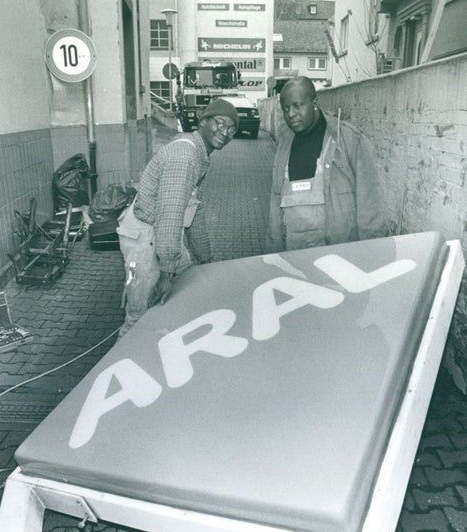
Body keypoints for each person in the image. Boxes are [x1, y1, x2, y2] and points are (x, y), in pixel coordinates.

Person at [115, 98, 238, 338]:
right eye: (220, 123)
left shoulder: (199, 153)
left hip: (160, 233)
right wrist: (167, 273)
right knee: (140, 316)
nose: (225, 133)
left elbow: (193, 209)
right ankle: (127, 362)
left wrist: (205, 258)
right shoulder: (186, 156)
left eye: (232, 129)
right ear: (203, 121)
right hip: (145, 235)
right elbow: (170, 215)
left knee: (188, 283)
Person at [265, 76, 389, 253]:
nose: (291, 114)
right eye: (286, 109)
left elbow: (370, 204)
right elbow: (275, 207)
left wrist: (371, 255)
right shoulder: (285, 144)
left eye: (298, 105)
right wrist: (272, 256)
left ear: (314, 103)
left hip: (339, 256)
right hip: (293, 258)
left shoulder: (348, 140)